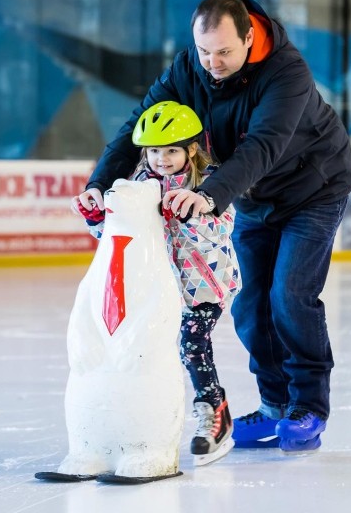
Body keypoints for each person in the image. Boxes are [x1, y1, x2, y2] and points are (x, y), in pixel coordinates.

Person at [72, 0, 351, 452]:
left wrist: (208, 195)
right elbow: (136, 130)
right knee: (249, 306)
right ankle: (274, 405)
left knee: (289, 295)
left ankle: (309, 407)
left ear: (248, 37)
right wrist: (99, 183)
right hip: (251, 194)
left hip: (314, 189)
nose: (212, 63)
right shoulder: (188, 70)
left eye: (223, 52)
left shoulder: (287, 72)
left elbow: (262, 146)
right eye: (205, 51)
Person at [76, 101, 240, 465]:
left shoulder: (211, 182)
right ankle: (140, 421)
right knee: (146, 352)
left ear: (191, 149)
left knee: (192, 344)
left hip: (203, 285)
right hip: (157, 286)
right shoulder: (138, 184)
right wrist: (95, 218)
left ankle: (214, 411)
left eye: (171, 150)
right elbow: (118, 235)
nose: (161, 159)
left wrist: (190, 212)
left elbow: (220, 231)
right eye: (153, 151)